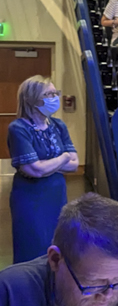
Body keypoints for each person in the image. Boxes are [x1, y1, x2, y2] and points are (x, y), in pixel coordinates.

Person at [7, 76, 77, 264]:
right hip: (30, 196)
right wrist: (62, 158)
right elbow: (34, 170)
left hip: (56, 194)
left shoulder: (58, 125)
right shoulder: (18, 128)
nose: (54, 97)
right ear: (32, 99)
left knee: (56, 245)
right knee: (32, 247)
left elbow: (75, 164)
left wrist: (48, 165)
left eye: (55, 93)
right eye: (48, 94)